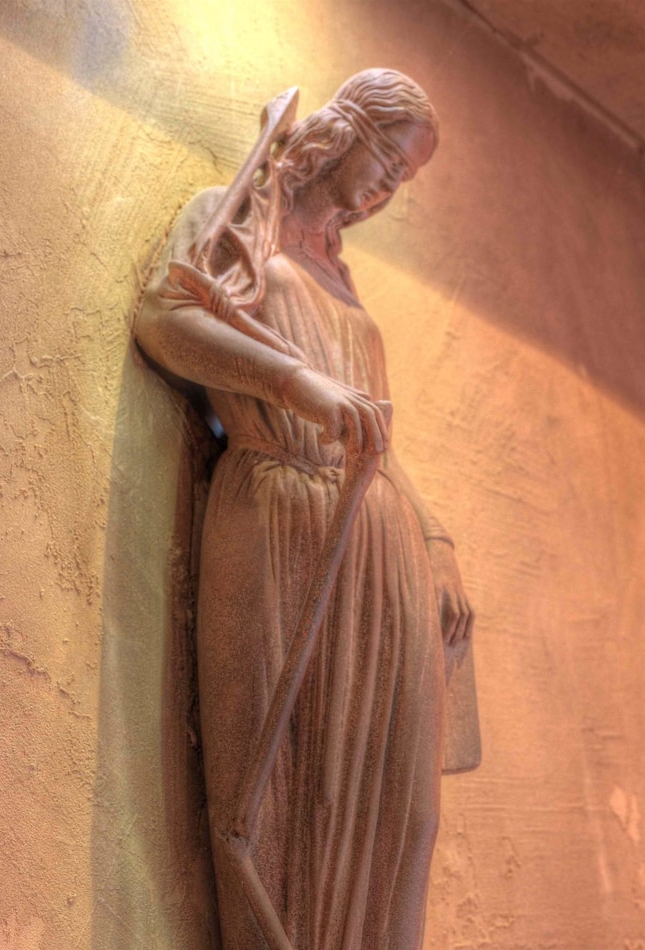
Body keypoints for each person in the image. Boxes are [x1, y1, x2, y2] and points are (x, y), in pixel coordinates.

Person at [135, 69, 473, 949]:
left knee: (398, 811)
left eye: (405, 177)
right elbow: (165, 317)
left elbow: (379, 434)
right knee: (273, 794)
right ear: (345, 129)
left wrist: (435, 540)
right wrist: (295, 383)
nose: (389, 186)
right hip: (281, 508)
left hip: (377, 541)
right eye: (389, 159)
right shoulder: (238, 220)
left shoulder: (342, 278)